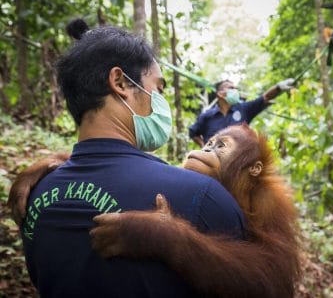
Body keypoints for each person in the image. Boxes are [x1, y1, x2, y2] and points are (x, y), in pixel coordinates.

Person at [16, 19, 245, 298]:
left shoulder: (32, 195)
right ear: (121, 82)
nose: (161, 100)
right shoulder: (203, 198)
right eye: (158, 88)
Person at [189, 78, 295, 147]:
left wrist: (279, 87)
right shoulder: (207, 116)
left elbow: (265, 97)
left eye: (236, 88)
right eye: (231, 88)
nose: (235, 91)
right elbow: (193, 133)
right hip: (213, 164)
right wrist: (204, 146)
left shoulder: (244, 109)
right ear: (220, 94)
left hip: (238, 164)